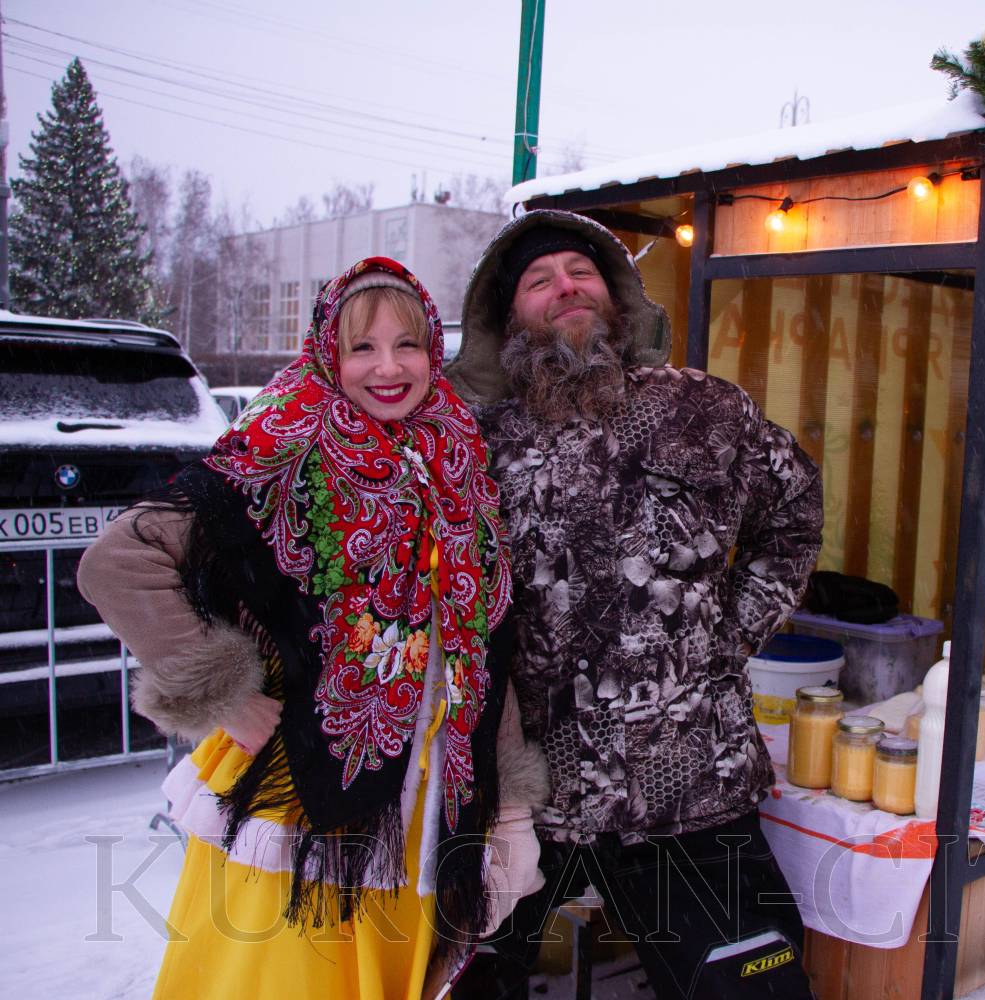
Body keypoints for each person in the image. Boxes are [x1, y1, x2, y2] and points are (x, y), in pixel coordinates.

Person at [78, 257, 548, 1000]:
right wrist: (224, 693)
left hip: (425, 809)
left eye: (409, 344)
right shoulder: (280, 447)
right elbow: (117, 562)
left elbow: (485, 643)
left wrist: (511, 808)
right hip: (301, 804)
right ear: (329, 351)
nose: (388, 368)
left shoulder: (457, 459)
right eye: (363, 347)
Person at [445, 210, 824, 1000]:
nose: (565, 287)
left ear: (617, 298)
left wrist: (730, 632)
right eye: (539, 280)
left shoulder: (705, 408)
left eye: (580, 272)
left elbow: (793, 511)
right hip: (522, 793)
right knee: (458, 983)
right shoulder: (473, 445)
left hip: (690, 784)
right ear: (508, 319)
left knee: (749, 990)